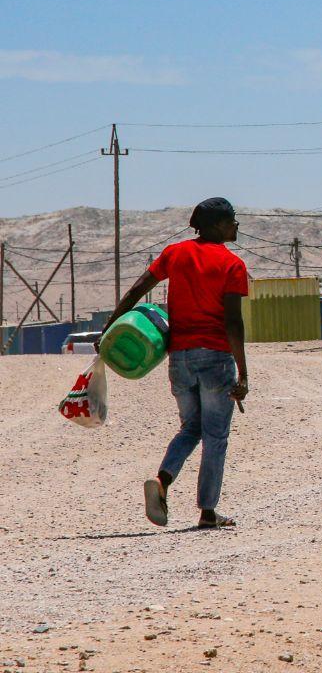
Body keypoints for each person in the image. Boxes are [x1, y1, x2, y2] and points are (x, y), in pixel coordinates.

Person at [99, 196, 249, 529]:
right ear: (216, 225)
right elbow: (233, 323)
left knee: (191, 428)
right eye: (231, 220)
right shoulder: (232, 265)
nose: (236, 225)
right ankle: (208, 512)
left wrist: (110, 326)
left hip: (180, 358)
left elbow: (137, 290)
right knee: (215, 436)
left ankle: (162, 481)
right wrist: (243, 373)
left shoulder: (174, 253)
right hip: (215, 358)